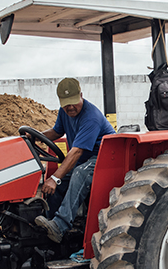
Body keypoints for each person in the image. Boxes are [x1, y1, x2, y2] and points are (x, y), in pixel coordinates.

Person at [34, 78, 115, 243]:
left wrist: (55, 178)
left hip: (105, 159)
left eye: (73, 102)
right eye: (66, 104)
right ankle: (47, 224)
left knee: (75, 173)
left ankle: (60, 226)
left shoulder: (91, 116)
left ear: (81, 96)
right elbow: (57, 132)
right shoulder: (64, 112)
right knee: (55, 182)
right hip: (85, 160)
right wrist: (35, 136)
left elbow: (77, 151)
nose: (70, 107)